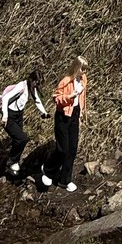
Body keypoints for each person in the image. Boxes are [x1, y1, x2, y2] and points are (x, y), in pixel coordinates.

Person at [41, 56, 88, 192]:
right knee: (63, 148)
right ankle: (48, 169)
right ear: (76, 67)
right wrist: (69, 97)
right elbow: (56, 98)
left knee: (72, 149)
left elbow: (82, 97)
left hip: (75, 113)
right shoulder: (66, 81)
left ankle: (65, 180)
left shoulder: (83, 80)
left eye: (85, 70)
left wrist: (81, 113)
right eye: (82, 69)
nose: (84, 72)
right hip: (63, 115)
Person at [0, 75, 49, 174]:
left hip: (19, 114)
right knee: (23, 139)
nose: (38, 85)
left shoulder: (31, 88)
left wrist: (44, 112)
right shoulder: (21, 86)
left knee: (17, 140)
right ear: (32, 80)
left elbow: (37, 100)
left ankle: (13, 163)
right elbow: (5, 98)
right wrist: (5, 115)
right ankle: (11, 160)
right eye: (37, 83)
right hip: (10, 115)